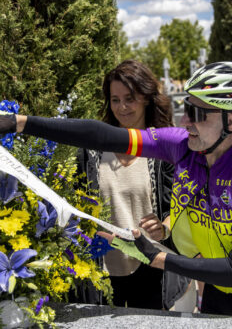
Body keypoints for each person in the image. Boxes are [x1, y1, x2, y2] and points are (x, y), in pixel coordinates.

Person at [0, 62, 232, 319]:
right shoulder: (183, 146)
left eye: (199, 113)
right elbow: (102, 136)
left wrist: (157, 257)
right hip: (215, 295)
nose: (186, 122)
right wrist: (19, 122)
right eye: (187, 110)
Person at [74, 59, 183, 309]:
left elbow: (180, 206)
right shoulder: (92, 151)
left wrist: (163, 228)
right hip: (101, 271)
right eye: (115, 99)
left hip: (150, 269)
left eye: (130, 98)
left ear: (146, 98)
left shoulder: (165, 150)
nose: (122, 107)